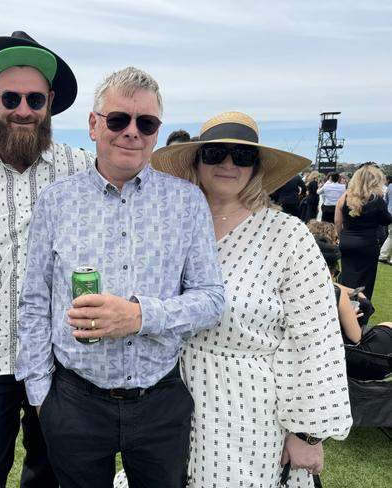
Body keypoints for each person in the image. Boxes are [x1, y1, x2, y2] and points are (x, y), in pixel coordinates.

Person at [15, 67, 224, 488]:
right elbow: (34, 302)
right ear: (94, 125)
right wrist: (41, 395)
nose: (132, 132)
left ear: (156, 131)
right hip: (74, 398)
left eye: (145, 123)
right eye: (118, 120)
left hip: (158, 399)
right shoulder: (57, 202)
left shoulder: (186, 201)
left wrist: (139, 316)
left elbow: (212, 300)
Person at [150, 111, 352, 487]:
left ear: (256, 167)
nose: (228, 164)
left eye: (242, 156)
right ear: (197, 160)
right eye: (215, 153)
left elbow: (315, 340)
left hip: (246, 408)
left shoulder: (287, 235)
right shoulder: (173, 227)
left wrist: (307, 433)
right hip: (167, 402)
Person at [0, 31, 92, 488]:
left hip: (62, 354)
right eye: (11, 97)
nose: (23, 110)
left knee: (50, 471)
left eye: (35, 99)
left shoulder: (82, 168)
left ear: (50, 102)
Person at [310, 226, 392, 381]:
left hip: (315, 353)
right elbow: (356, 338)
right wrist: (348, 316)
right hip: (340, 357)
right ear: (331, 271)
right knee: (388, 326)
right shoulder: (334, 294)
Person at [335, 164, 392, 301]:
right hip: (367, 245)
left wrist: (341, 236)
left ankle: (343, 308)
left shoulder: (345, 196)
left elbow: (337, 221)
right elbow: (386, 220)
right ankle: (361, 313)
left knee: (347, 278)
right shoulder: (376, 200)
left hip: (347, 242)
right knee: (365, 282)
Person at [378, 175, 392, 264]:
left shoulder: (389, 187)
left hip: (390, 213)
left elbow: (385, 201)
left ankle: (383, 255)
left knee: (391, 235)